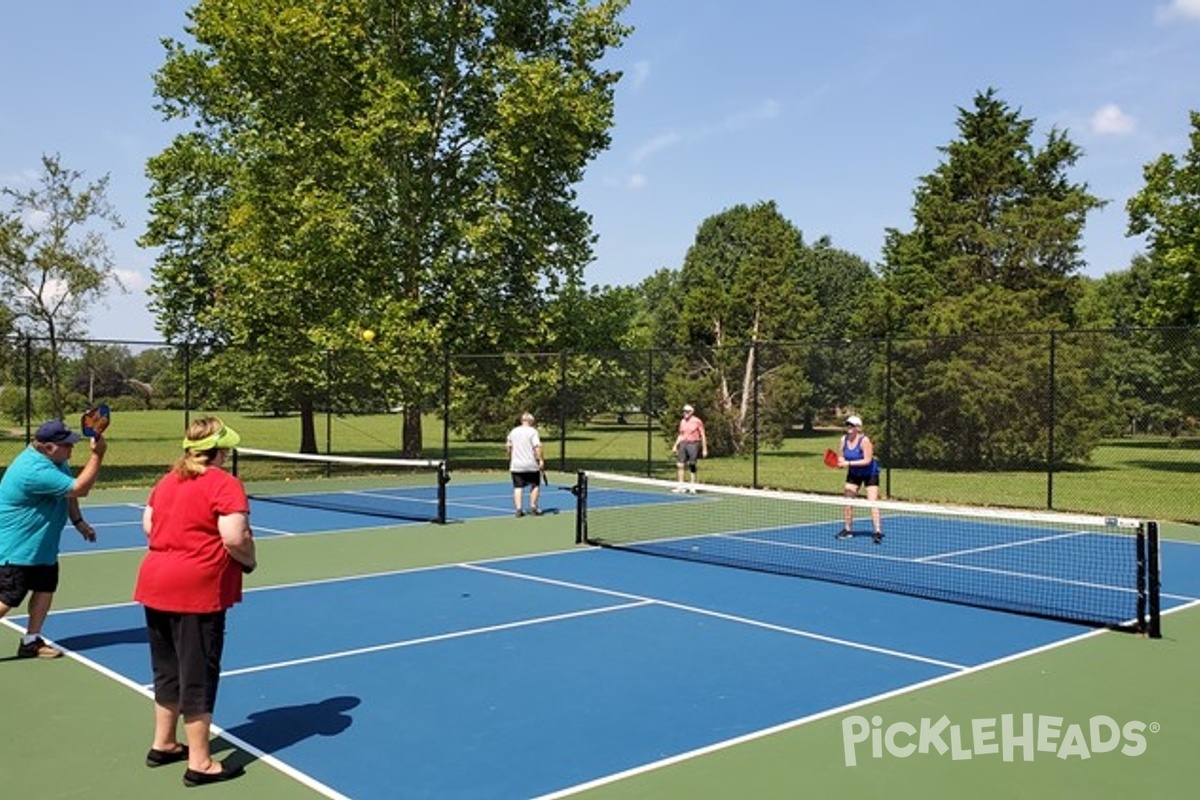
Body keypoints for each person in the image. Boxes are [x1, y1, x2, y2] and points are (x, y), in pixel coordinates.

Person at [133, 417, 256, 787]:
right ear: (218, 451)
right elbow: (234, 536)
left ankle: (164, 744)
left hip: (155, 582)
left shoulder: (168, 480)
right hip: (197, 591)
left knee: (167, 667)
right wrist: (249, 560)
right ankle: (200, 762)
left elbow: (149, 525)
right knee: (198, 672)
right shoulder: (225, 483)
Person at [0, 419, 107, 659]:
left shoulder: (57, 461)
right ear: (48, 447)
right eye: (67, 445)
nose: (71, 449)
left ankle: (31, 641)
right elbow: (80, 488)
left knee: (45, 588)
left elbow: (68, 493)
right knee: (7, 598)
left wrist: (78, 521)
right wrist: (97, 456)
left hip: (42, 548)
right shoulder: (33, 470)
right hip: (18, 550)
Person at [836, 414, 883, 543]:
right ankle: (848, 529)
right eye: (848, 425)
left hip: (870, 474)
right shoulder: (843, 439)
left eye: (852, 425)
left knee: (872, 502)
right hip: (854, 474)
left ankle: (878, 531)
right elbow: (842, 456)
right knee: (847, 502)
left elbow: (867, 460)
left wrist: (848, 464)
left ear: (858, 427)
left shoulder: (864, 441)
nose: (849, 427)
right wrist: (840, 462)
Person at [506, 412, 545, 517]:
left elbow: (508, 447)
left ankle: (518, 509)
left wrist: (511, 458)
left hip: (516, 465)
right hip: (531, 464)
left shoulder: (513, 431)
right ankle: (533, 507)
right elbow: (537, 447)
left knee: (518, 487)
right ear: (530, 421)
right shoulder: (533, 432)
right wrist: (541, 460)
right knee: (535, 485)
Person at [671, 404, 708, 493]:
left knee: (692, 464)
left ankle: (692, 486)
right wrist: (675, 445)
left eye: (687, 411)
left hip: (693, 444)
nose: (685, 413)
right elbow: (681, 434)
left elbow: (702, 435)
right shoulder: (682, 421)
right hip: (683, 444)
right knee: (680, 465)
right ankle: (680, 486)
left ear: (691, 412)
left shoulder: (697, 421)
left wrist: (704, 448)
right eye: (684, 411)